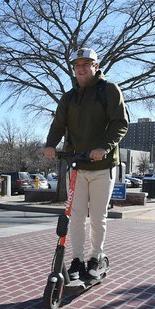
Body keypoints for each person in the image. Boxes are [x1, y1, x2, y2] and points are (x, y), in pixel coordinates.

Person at [43, 48, 129, 281]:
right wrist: (50, 144)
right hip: (77, 165)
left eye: (86, 64)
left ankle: (95, 257)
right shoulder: (69, 97)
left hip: (103, 165)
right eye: (77, 65)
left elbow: (120, 123)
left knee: (98, 217)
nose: (81, 68)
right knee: (77, 217)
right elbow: (58, 124)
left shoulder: (109, 90)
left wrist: (104, 147)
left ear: (96, 66)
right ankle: (77, 260)